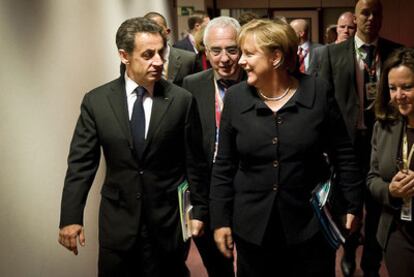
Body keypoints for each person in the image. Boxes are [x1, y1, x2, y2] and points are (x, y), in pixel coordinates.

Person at [210, 18, 363, 277]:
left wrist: (353, 205)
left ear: (276, 57)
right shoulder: (236, 98)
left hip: (310, 224)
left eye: (249, 54)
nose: (241, 61)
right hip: (252, 227)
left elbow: (344, 154)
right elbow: (224, 164)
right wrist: (220, 220)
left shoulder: (317, 91)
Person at [58, 17, 209, 276]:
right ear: (124, 56)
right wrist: (71, 217)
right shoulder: (97, 102)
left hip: (167, 223)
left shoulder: (181, 100)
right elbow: (81, 164)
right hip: (118, 224)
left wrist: (200, 211)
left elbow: (195, 162)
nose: (159, 62)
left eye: (161, 53)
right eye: (148, 55)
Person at [319, 1, 403, 276]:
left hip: (385, 139)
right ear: (355, 17)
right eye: (365, 13)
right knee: (347, 201)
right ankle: (349, 248)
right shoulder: (331, 54)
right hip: (346, 142)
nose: (371, 18)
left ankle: (371, 261)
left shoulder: (396, 52)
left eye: (376, 12)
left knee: (380, 203)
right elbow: (324, 101)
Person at [182, 16, 245, 277]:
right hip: (207, 190)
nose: (224, 58)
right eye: (216, 50)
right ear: (205, 52)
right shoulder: (191, 85)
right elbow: (189, 148)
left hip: (248, 187)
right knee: (218, 268)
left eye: (231, 49)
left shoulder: (256, 83)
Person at [367, 47, 414, 277]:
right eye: (392, 88)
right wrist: (390, 191)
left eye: (407, 87)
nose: (398, 95)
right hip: (397, 230)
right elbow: (372, 178)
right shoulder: (383, 125)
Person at [143, 12, 198, 86]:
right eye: (148, 31)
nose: (153, 34)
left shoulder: (189, 59)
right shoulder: (137, 59)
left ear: (167, 32)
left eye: (158, 30)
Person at [308, 11, 356, 75]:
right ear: (337, 29)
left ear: (356, 30)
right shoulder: (320, 52)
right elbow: (310, 79)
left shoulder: (359, 52)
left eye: (350, 27)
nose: (346, 31)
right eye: (342, 27)